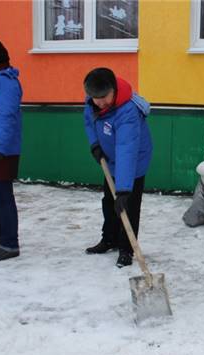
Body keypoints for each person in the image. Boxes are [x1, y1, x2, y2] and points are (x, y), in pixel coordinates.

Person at [83, 68, 153, 268]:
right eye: (96, 98)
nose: (100, 102)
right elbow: (89, 121)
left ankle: (127, 249)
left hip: (134, 160)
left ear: (113, 90)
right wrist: (95, 144)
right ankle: (109, 239)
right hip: (111, 159)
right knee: (109, 202)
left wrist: (123, 189)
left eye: (104, 97)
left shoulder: (127, 111)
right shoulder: (92, 101)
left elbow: (126, 149)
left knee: (128, 206)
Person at [0, 36, 23, 262]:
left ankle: (10, 243)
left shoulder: (5, 82)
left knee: (2, 197)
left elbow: (6, 117)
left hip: (1, 150)